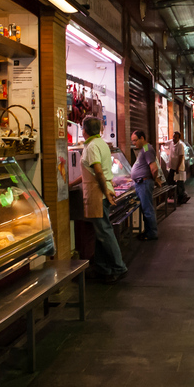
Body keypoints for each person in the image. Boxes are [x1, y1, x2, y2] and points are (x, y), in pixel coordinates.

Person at [68, 117, 127, 283]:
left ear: (85, 130)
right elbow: (90, 171)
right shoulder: (101, 143)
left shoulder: (92, 146)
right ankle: (102, 268)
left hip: (98, 193)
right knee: (101, 233)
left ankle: (118, 267)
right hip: (102, 191)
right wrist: (71, 183)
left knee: (105, 232)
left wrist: (105, 192)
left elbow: (99, 172)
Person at [130, 130, 163, 240]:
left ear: (142, 138)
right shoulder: (143, 149)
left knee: (148, 209)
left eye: (135, 140)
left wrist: (154, 179)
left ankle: (152, 234)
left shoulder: (147, 149)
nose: (134, 143)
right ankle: (148, 231)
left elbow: (154, 168)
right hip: (142, 182)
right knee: (145, 208)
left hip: (144, 183)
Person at [167, 131, 190, 204]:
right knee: (171, 181)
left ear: (179, 138)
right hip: (172, 167)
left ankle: (182, 197)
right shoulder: (171, 142)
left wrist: (177, 167)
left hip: (178, 168)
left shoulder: (180, 145)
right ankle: (179, 196)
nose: (174, 138)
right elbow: (163, 143)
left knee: (180, 182)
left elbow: (181, 157)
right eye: (173, 137)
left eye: (176, 137)